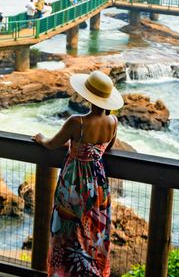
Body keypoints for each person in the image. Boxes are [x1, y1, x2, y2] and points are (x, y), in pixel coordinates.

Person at [32, 71, 124, 277]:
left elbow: (51, 144)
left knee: (68, 231)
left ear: (87, 96)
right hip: (98, 182)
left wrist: (40, 138)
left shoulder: (77, 122)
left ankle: (64, 273)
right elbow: (103, 149)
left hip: (74, 182)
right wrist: (80, 147)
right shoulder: (113, 122)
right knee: (93, 230)